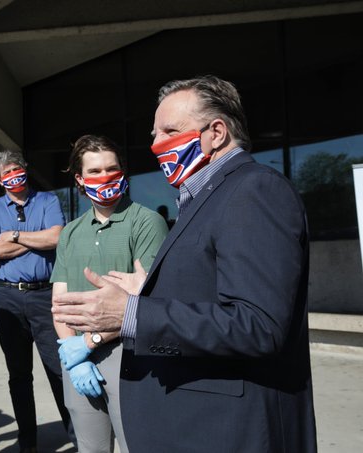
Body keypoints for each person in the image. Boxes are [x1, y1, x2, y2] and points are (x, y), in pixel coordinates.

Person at [52, 75, 316, 452]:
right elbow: (207, 295)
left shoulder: (254, 189)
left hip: (232, 431)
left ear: (217, 132)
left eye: (169, 131)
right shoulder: (203, 200)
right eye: (154, 134)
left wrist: (132, 313)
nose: (155, 144)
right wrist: (147, 294)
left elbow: (258, 325)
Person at [51, 135, 168, 453]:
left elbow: (147, 302)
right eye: (95, 171)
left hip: (129, 355)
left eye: (112, 169)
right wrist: (73, 353)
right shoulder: (70, 233)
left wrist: (89, 342)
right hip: (77, 357)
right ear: (80, 179)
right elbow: (59, 304)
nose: (105, 177)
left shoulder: (147, 222)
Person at [0, 150, 74, 453]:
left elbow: (57, 238)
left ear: (26, 169)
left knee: (59, 370)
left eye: (17, 169)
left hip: (45, 295)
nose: (14, 176)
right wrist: (37, 238)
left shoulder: (47, 201)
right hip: (7, 298)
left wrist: (14, 235)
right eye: (7, 172)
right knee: (19, 375)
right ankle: (28, 443)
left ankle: (78, 437)